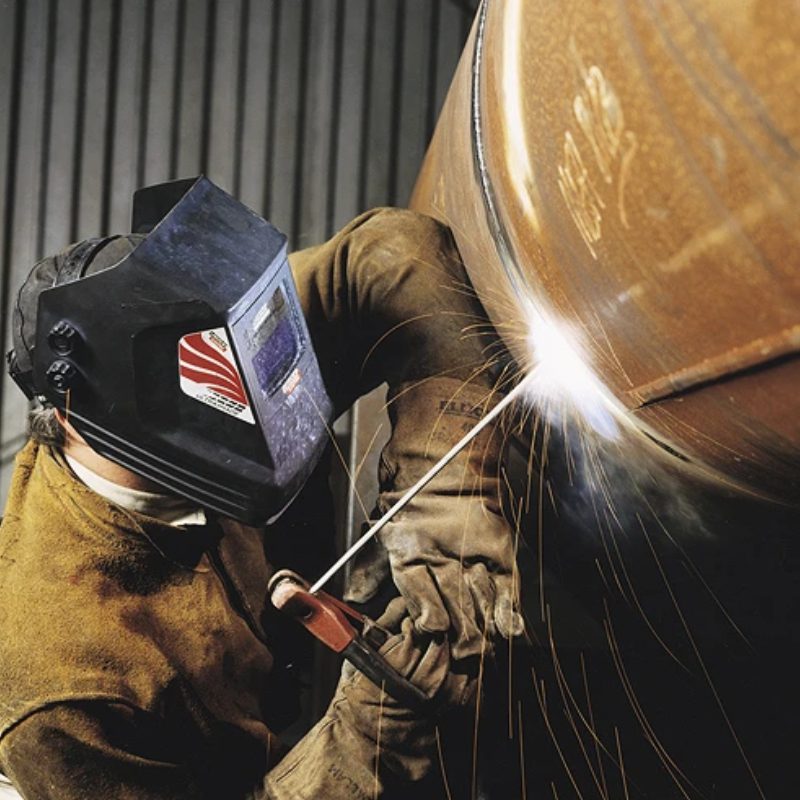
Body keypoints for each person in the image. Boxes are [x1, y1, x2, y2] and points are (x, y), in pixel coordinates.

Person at [0, 178, 521, 799]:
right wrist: (382, 723)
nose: (243, 401)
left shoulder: (200, 337)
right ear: (73, 418)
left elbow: (390, 255)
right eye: (203, 395)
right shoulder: (63, 691)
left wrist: (449, 519)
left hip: (319, 640)